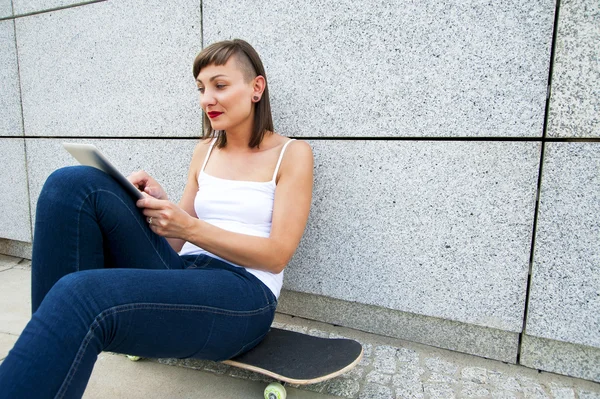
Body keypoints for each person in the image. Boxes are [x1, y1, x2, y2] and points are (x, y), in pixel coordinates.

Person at [0, 39, 314, 398]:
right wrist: (159, 208)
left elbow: (277, 255)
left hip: (244, 295)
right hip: (187, 273)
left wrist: (189, 226)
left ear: (256, 87)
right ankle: (46, 358)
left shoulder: (292, 154)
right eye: (200, 88)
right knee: (71, 184)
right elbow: (177, 241)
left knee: (81, 293)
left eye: (220, 85)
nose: (206, 99)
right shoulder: (206, 149)